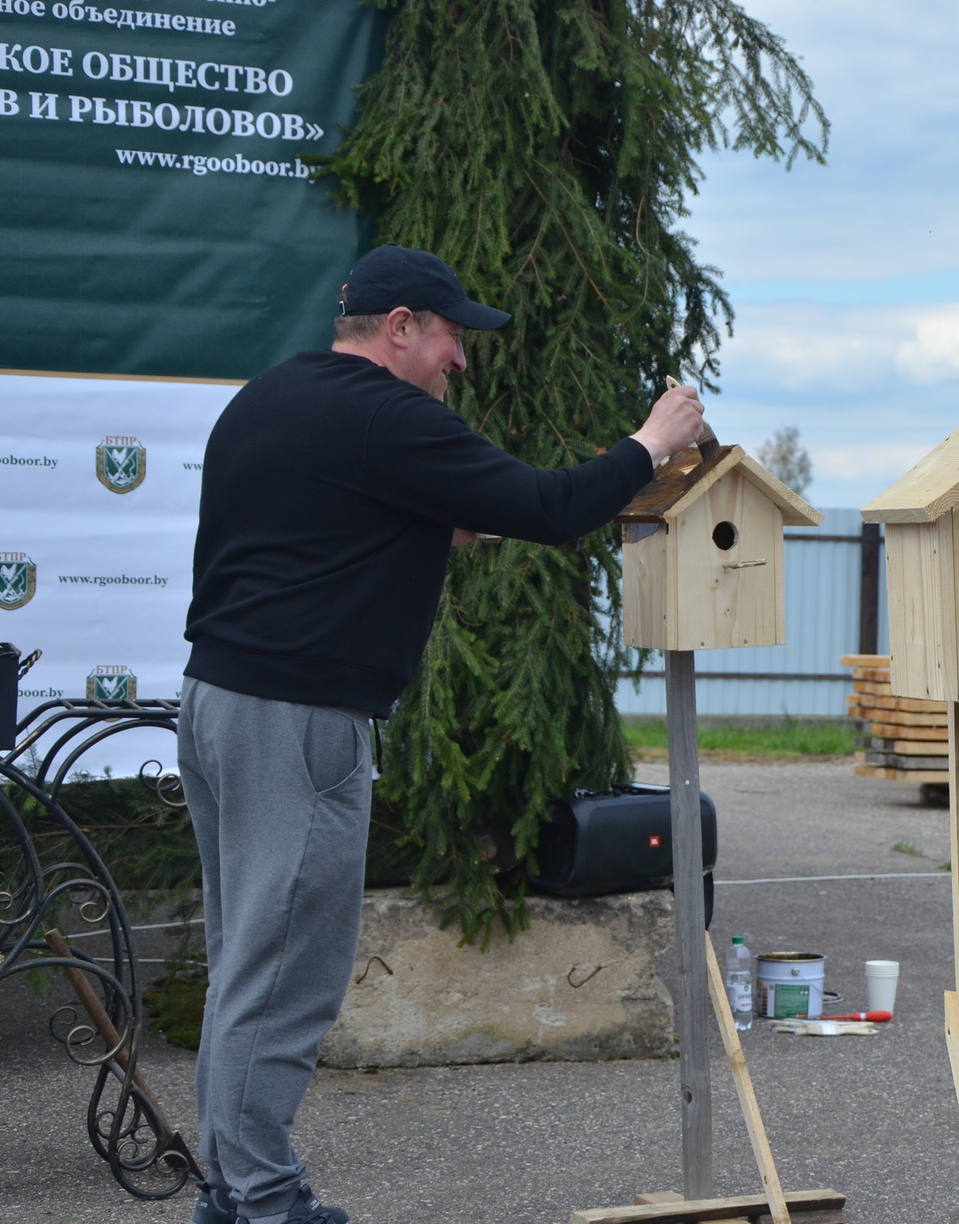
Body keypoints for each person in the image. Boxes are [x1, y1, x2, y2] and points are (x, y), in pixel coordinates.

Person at [177, 244, 704, 1224]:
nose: (459, 361)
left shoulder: (273, 397)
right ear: (401, 326)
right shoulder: (388, 414)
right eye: (452, 337)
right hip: (299, 721)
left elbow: (310, 529)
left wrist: (430, 524)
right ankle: (262, 1204)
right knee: (286, 976)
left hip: (216, 704)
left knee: (244, 965)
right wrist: (650, 439)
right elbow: (552, 509)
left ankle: (235, 1189)